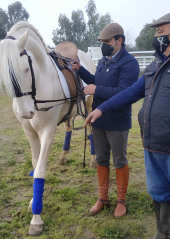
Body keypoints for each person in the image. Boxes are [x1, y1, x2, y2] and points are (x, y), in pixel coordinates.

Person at [84, 11, 170, 239]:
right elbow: (131, 93)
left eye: (160, 32)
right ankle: (163, 234)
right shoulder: (155, 66)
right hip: (152, 146)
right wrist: (101, 108)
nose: (156, 37)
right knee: (159, 194)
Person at [71, 22, 139, 218]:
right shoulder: (103, 61)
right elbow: (96, 80)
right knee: (101, 159)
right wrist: (80, 70)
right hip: (97, 119)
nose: (103, 45)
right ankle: (103, 197)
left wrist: (96, 90)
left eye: (107, 41)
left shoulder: (129, 63)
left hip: (117, 121)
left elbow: (125, 92)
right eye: (101, 42)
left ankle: (121, 200)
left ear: (119, 41)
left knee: (119, 160)